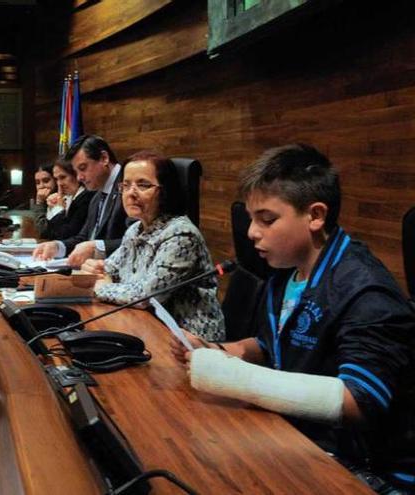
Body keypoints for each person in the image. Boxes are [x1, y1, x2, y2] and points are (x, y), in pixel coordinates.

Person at [171, 144, 414, 493]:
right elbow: (275, 346)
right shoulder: (286, 272)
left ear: (315, 216)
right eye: (252, 218)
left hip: (370, 473)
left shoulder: (367, 291)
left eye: (266, 219)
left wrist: (234, 377)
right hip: (301, 438)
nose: (252, 232)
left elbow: (359, 399)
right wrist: (216, 349)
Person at [80, 151, 225, 341]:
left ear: (165, 191)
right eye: (126, 185)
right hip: (146, 326)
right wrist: (98, 271)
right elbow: (109, 269)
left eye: (143, 185)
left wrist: (100, 287)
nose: (131, 193)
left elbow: (145, 296)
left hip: (189, 342)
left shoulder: (181, 234)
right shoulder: (135, 230)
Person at [31, 135, 127, 265]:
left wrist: (97, 247)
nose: (80, 178)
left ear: (104, 158)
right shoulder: (97, 195)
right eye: (76, 172)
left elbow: (139, 240)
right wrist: (58, 247)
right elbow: (84, 238)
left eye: (83, 168)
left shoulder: (129, 186)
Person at [35, 159, 95, 241]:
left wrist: (58, 209)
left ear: (76, 175)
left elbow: (64, 236)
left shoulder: (86, 198)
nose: (59, 183)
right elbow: (48, 233)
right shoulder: (70, 197)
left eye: (63, 177)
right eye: (56, 179)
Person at [31, 164, 58, 238]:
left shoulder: (61, 199)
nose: (41, 186)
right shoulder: (41, 199)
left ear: (55, 180)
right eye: (37, 183)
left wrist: (39, 203)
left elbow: (43, 231)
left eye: (46, 181)